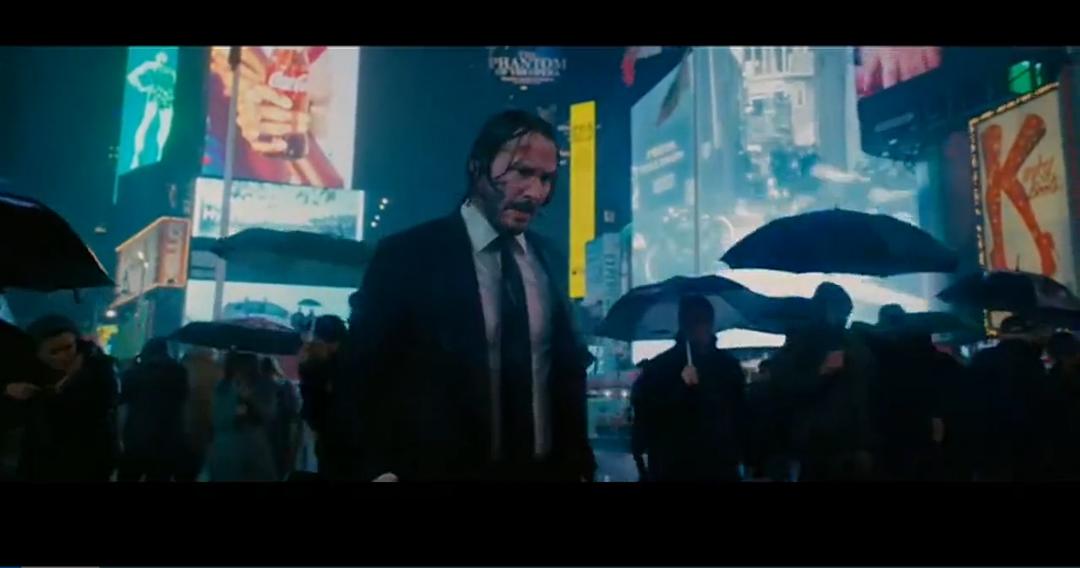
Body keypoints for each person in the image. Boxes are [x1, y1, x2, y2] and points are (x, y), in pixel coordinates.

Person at [349, 109, 595, 482]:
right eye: (522, 172)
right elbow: (361, 375)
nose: (535, 192)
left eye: (546, 179)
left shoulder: (552, 261)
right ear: (477, 166)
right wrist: (376, 470)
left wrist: (580, 465)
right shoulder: (408, 256)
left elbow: (563, 375)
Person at [630, 295, 748, 482]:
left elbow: (739, 414)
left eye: (702, 320)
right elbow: (649, 416)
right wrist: (682, 388)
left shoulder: (727, 366)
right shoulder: (660, 367)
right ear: (683, 324)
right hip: (675, 464)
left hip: (717, 462)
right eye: (693, 321)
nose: (698, 327)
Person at [767, 283, 877, 481]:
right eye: (839, 312)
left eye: (845, 313)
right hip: (818, 442)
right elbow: (785, 386)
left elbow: (863, 391)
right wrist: (821, 372)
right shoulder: (804, 344)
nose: (842, 318)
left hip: (839, 440)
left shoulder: (851, 344)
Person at [13, 315, 119, 481]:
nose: (63, 356)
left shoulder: (98, 368)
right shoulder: (27, 373)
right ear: (37, 352)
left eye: (68, 347)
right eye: (54, 352)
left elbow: (100, 405)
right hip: (41, 463)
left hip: (88, 462)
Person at [967, 315, 1052, 481]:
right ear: (1028, 335)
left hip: (989, 434)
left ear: (1001, 334)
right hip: (1027, 436)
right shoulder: (1033, 361)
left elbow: (971, 395)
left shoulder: (983, 357)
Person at [117, 337, 189, 482]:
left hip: (136, 438)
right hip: (167, 440)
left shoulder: (136, 372)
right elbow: (184, 398)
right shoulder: (179, 372)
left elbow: (121, 398)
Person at [205, 351, 279, 482]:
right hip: (230, 450)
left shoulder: (263, 387)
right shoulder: (222, 387)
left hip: (247, 449)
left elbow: (267, 415)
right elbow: (217, 419)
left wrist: (248, 399)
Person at [298, 314, 352, 478]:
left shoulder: (331, 367)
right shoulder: (348, 361)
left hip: (338, 443)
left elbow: (313, 410)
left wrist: (309, 367)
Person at [127, 50, 176, 169]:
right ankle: (137, 155)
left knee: (165, 127)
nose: (163, 57)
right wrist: (141, 87)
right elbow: (131, 76)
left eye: (164, 55)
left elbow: (175, 85)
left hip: (167, 99)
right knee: (146, 123)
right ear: (157, 57)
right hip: (155, 97)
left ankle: (160, 155)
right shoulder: (150, 65)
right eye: (161, 55)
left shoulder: (172, 71)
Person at [262, 357, 302, 481]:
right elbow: (294, 412)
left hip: (266, 439)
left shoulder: (256, 389)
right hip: (281, 437)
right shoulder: (286, 386)